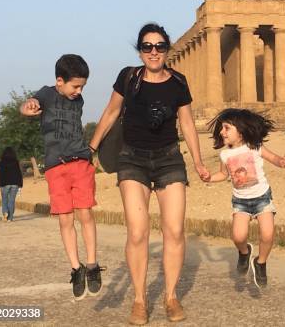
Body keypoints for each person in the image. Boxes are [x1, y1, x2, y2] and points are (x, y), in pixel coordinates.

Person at [89, 23, 210, 325]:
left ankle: (170, 296)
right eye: (147, 46)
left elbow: (187, 123)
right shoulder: (128, 78)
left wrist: (198, 161)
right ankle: (140, 300)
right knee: (138, 231)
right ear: (140, 50)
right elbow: (111, 112)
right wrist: (90, 148)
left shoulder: (179, 82)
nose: (153, 52)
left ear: (167, 49)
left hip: (169, 159)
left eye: (159, 46)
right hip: (133, 159)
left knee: (175, 231)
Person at [20, 54, 104, 300]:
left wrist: (89, 151)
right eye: (75, 86)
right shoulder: (47, 94)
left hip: (80, 162)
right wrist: (28, 107)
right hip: (56, 167)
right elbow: (29, 103)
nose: (79, 91)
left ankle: (92, 265)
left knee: (85, 213)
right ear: (59, 81)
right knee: (65, 219)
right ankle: (76, 268)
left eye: (82, 87)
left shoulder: (77, 99)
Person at [206, 108, 285, 289]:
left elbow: (273, 157)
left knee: (267, 235)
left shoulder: (255, 146)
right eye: (221, 128)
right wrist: (209, 178)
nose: (222, 132)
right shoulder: (225, 154)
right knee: (238, 236)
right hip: (240, 201)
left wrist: (281, 162)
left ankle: (261, 263)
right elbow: (223, 174)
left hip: (262, 197)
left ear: (241, 130)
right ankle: (244, 252)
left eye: (227, 128)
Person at [0, 146, 23, 222]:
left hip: (5, 183)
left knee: (4, 199)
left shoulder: (2, 161)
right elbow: (19, 173)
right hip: (14, 183)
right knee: (12, 200)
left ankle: (5, 212)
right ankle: (10, 218)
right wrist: (20, 184)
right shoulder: (16, 161)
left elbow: (0, 173)